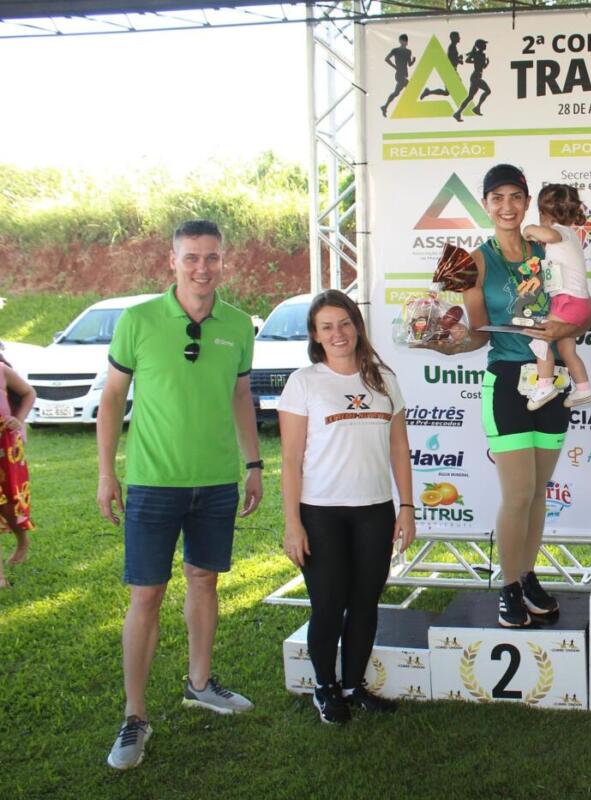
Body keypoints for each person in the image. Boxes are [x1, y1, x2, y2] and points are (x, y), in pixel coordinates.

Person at [97, 219, 262, 770]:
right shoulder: (139, 320)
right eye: (191, 257)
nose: (202, 268)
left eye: (211, 257)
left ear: (224, 261)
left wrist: (254, 464)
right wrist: (106, 473)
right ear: (172, 261)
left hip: (215, 481)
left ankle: (200, 683)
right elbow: (112, 397)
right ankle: (134, 715)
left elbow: (240, 395)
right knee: (146, 594)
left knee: (204, 579)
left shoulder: (238, 325)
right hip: (152, 481)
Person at [421, 163, 591, 627]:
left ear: (527, 201)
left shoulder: (549, 244)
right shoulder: (477, 262)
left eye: (515, 197)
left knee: (538, 492)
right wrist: (448, 344)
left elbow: (588, 311)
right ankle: (508, 586)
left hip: (552, 381)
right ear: (485, 205)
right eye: (497, 198)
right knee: (517, 493)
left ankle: (527, 574)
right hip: (507, 383)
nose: (507, 206)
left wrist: (568, 327)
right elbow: (479, 332)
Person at [279, 290, 417, 724]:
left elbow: (399, 447)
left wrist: (407, 506)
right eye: (327, 327)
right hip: (321, 513)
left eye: (344, 323)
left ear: (357, 325)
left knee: (365, 602)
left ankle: (354, 685)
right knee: (328, 604)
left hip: (374, 511)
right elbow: (290, 459)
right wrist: (293, 524)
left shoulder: (383, 378)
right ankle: (325, 687)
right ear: (315, 335)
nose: (337, 333)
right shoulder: (304, 382)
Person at [522, 183, 591, 411]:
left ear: (544, 213)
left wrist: (530, 229)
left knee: (540, 339)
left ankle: (545, 385)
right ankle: (584, 388)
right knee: (566, 349)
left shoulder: (560, 232)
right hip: (578, 302)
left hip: (568, 301)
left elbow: (550, 234)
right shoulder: (570, 236)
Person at [0, 355, 35, 588]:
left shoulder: (2, 370)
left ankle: (22, 541)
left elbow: (28, 392)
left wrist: (18, 419)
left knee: (10, 504)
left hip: (6, 445)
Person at [452, 39, 491, 122]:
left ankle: (458, 113)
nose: (485, 46)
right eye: (484, 44)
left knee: (470, 97)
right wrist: (475, 60)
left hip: (478, 76)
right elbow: (467, 60)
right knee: (488, 91)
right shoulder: (476, 54)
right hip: (475, 77)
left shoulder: (483, 55)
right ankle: (477, 108)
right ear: (480, 46)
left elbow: (483, 67)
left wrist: (487, 63)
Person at [380, 33, 416, 117]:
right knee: (410, 88)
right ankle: (407, 107)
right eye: (403, 40)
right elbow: (387, 59)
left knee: (396, 93)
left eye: (406, 41)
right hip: (399, 75)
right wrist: (395, 67)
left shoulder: (408, 52)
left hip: (404, 74)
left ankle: (385, 106)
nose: (405, 42)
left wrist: (413, 61)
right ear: (400, 41)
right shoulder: (395, 50)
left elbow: (409, 64)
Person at [420, 31, 462, 99]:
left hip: (451, 71)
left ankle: (428, 92)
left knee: (447, 92)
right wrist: (459, 60)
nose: (459, 38)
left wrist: (458, 59)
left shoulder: (453, 47)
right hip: (450, 72)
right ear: (454, 38)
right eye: (457, 36)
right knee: (458, 86)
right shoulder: (452, 47)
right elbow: (452, 60)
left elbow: (452, 59)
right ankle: (428, 92)